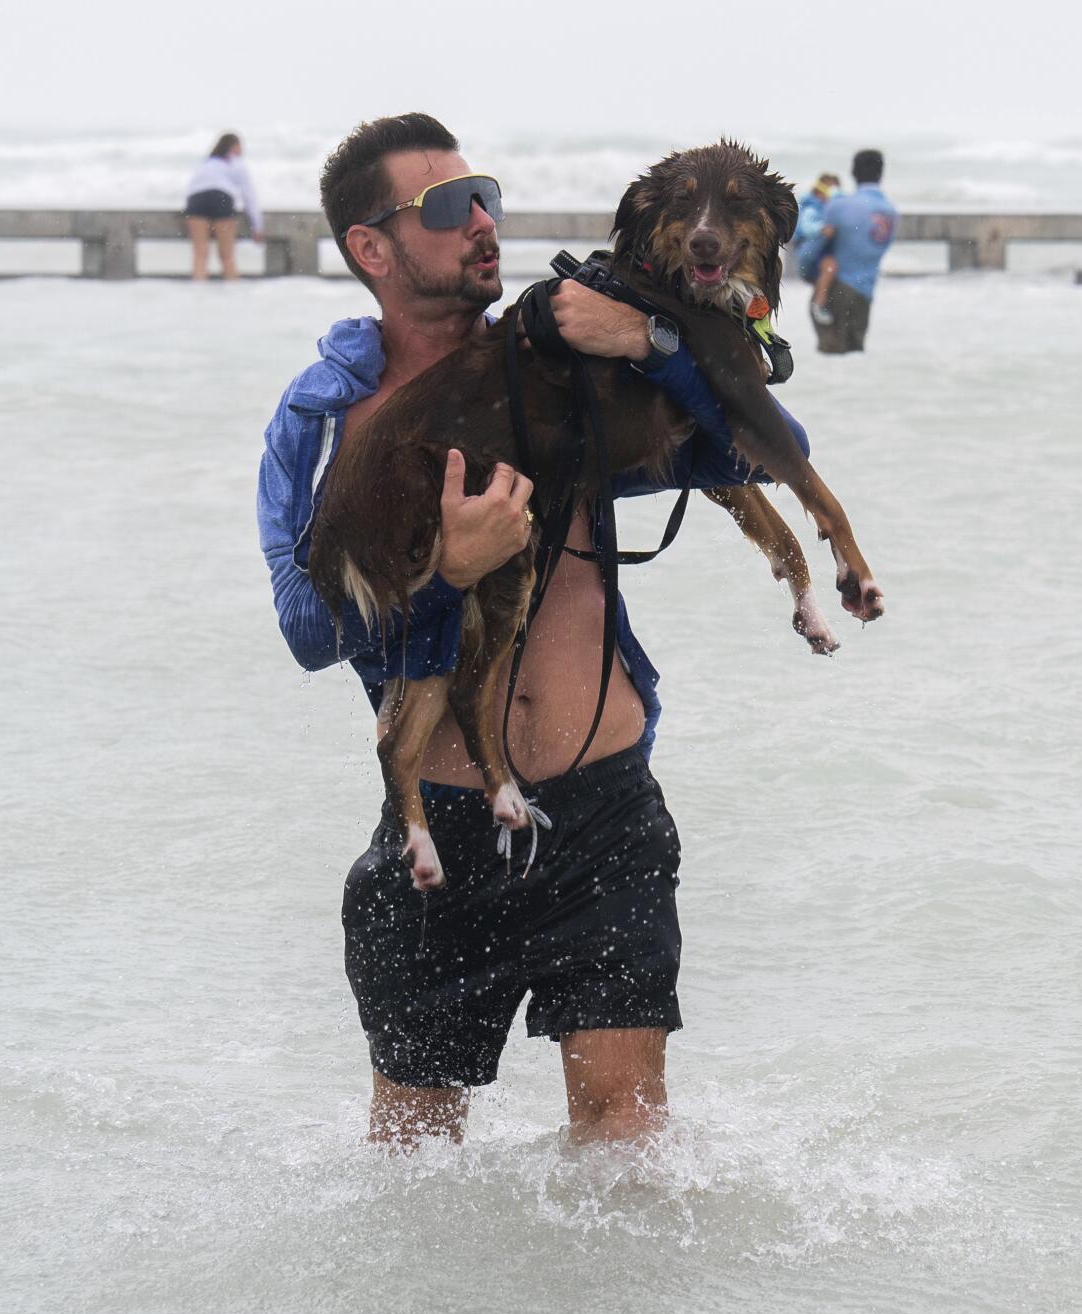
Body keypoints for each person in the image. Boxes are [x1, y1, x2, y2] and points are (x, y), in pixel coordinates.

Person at [256, 114, 813, 1150]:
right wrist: (442, 574)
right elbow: (305, 628)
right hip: (443, 831)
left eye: (487, 198)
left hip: (602, 810)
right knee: (412, 1181)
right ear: (370, 248)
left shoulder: (563, 361)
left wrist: (645, 340)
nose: (482, 222)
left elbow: (762, 449)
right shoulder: (322, 420)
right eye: (446, 206)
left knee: (627, 1159)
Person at [801, 149, 897, 354]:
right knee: (857, 362)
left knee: (830, 366)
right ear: (881, 174)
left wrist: (805, 272)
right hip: (865, 297)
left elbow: (809, 253)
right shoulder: (891, 213)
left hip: (833, 296)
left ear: (853, 173)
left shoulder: (838, 207)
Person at [182, 133, 265, 282]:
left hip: (196, 198)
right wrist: (257, 226)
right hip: (221, 197)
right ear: (233, 147)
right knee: (227, 257)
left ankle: (197, 296)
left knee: (200, 255)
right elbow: (249, 196)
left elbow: (190, 187)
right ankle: (233, 295)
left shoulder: (206, 163)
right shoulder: (237, 163)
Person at [794, 172, 840, 284]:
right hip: (806, 247)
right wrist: (821, 229)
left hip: (820, 250)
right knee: (827, 268)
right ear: (820, 192)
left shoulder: (826, 207)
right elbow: (806, 226)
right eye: (831, 190)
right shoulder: (812, 207)